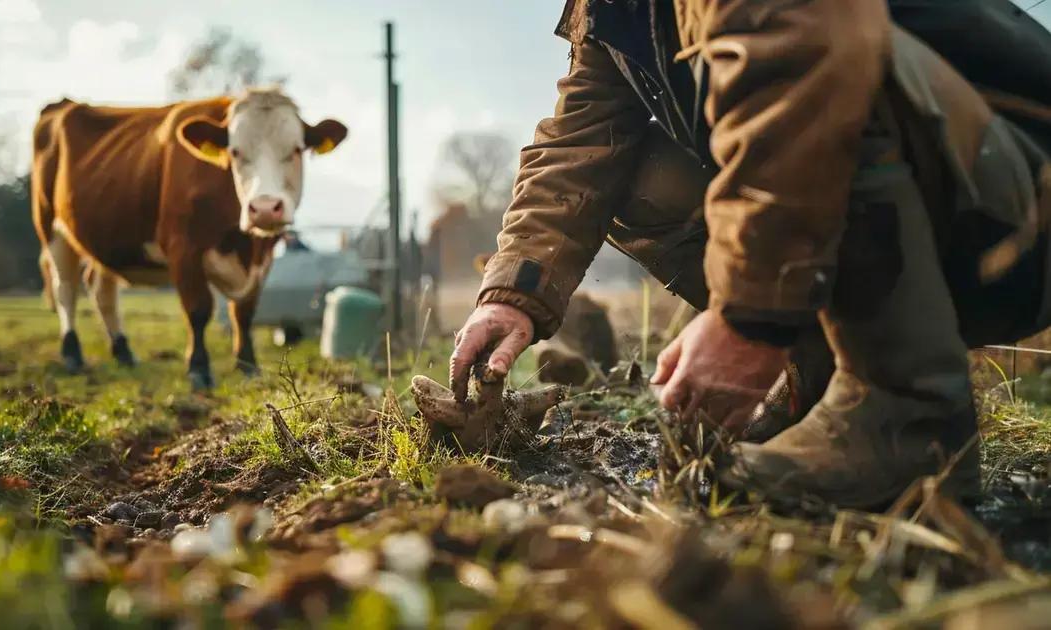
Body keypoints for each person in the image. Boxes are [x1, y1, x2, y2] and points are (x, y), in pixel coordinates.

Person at [449, 0, 1051, 507]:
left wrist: (748, 316)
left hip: (1021, 208)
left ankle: (905, 415)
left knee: (821, 65)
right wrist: (513, 295)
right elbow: (576, 149)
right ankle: (827, 381)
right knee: (630, 170)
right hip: (957, 206)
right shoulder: (611, 12)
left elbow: (802, 66)